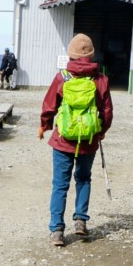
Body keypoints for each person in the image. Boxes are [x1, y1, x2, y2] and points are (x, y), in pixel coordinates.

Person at [39, 34, 113, 247]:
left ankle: (57, 231)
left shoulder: (62, 77)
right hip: (88, 140)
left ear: (70, 54)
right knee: (83, 179)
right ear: (91, 54)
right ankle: (80, 221)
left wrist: (44, 125)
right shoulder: (100, 79)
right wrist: (102, 131)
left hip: (63, 140)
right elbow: (106, 111)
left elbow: (49, 106)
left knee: (60, 185)